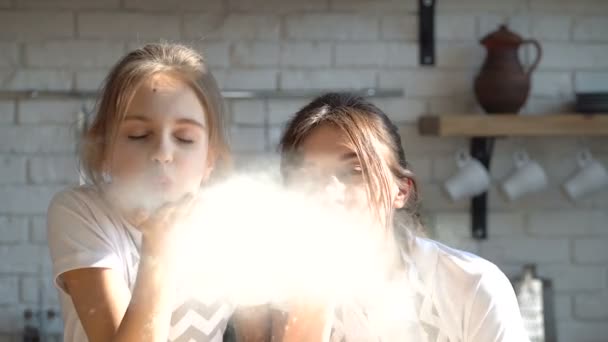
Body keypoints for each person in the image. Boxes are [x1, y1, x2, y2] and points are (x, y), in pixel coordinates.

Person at [47, 43, 265, 342]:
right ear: (105, 150)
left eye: (185, 138)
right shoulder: (82, 212)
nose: (163, 153)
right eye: (139, 135)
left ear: (210, 158)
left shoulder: (232, 224)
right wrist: (159, 246)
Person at [274, 92, 530, 341]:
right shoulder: (273, 296)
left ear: (401, 191)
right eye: (308, 177)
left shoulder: (473, 286)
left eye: (354, 171)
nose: (329, 193)